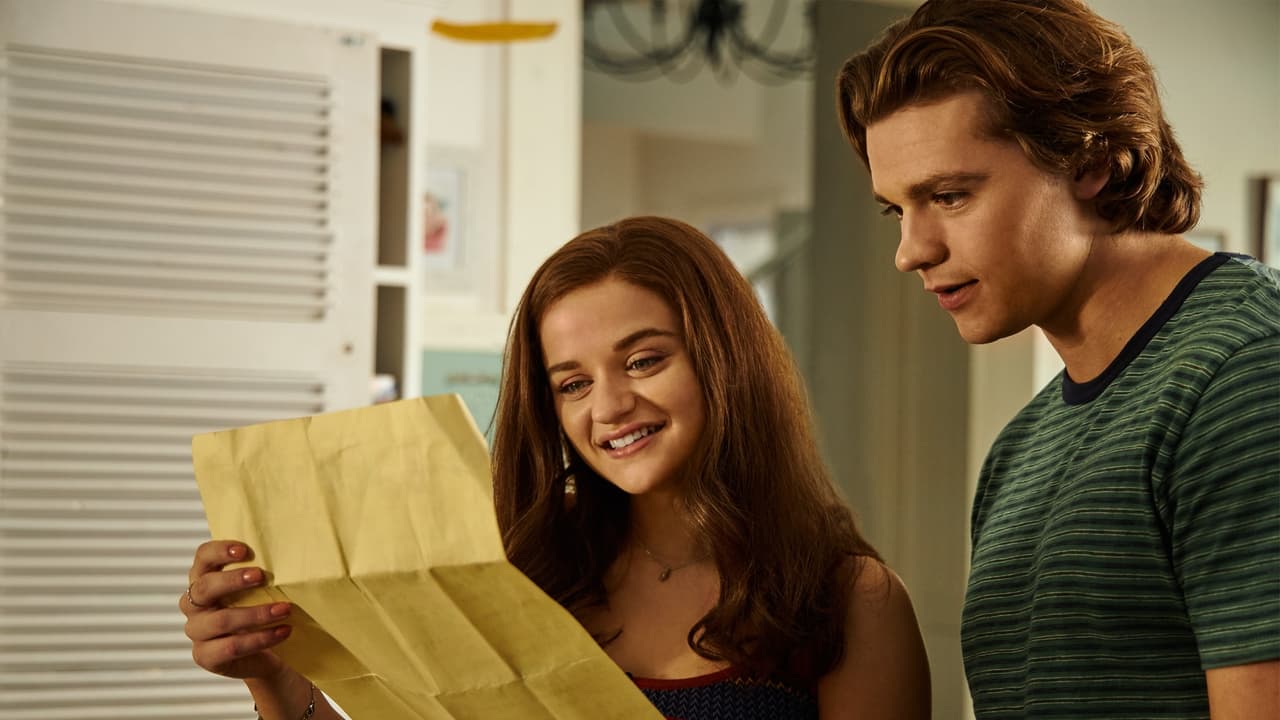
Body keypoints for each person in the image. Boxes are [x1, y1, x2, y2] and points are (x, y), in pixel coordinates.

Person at [181, 216, 932, 720]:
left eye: (643, 360)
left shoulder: (848, 600)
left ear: (726, 361)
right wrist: (278, 682)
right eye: (572, 384)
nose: (609, 406)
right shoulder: (515, 572)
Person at [835, 1, 1280, 717]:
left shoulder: (1246, 375)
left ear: (1092, 162)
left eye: (949, 196)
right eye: (897, 210)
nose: (911, 251)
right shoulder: (1022, 447)